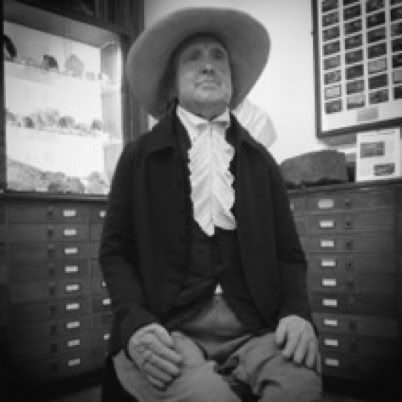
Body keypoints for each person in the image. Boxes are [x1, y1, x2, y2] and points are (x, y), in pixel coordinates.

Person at [99, 7, 322, 402]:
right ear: (172, 84)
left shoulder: (261, 161)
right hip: (168, 328)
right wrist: (135, 323)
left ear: (232, 82)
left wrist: (296, 312)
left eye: (218, 56)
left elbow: (289, 255)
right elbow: (115, 252)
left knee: (300, 387)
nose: (208, 65)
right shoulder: (137, 157)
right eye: (193, 57)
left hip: (256, 328)